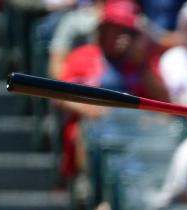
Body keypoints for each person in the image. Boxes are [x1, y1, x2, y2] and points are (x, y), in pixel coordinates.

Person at [59, 1, 169, 177]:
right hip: (97, 129)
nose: (122, 36)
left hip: (135, 129)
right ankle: (90, 186)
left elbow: (164, 102)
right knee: (83, 130)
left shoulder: (142, 63)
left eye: (127, 31)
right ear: (103, 30)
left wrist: (141, 65)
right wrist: (92, 110)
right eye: (116, 28)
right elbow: (60, 96)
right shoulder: (84, 56)